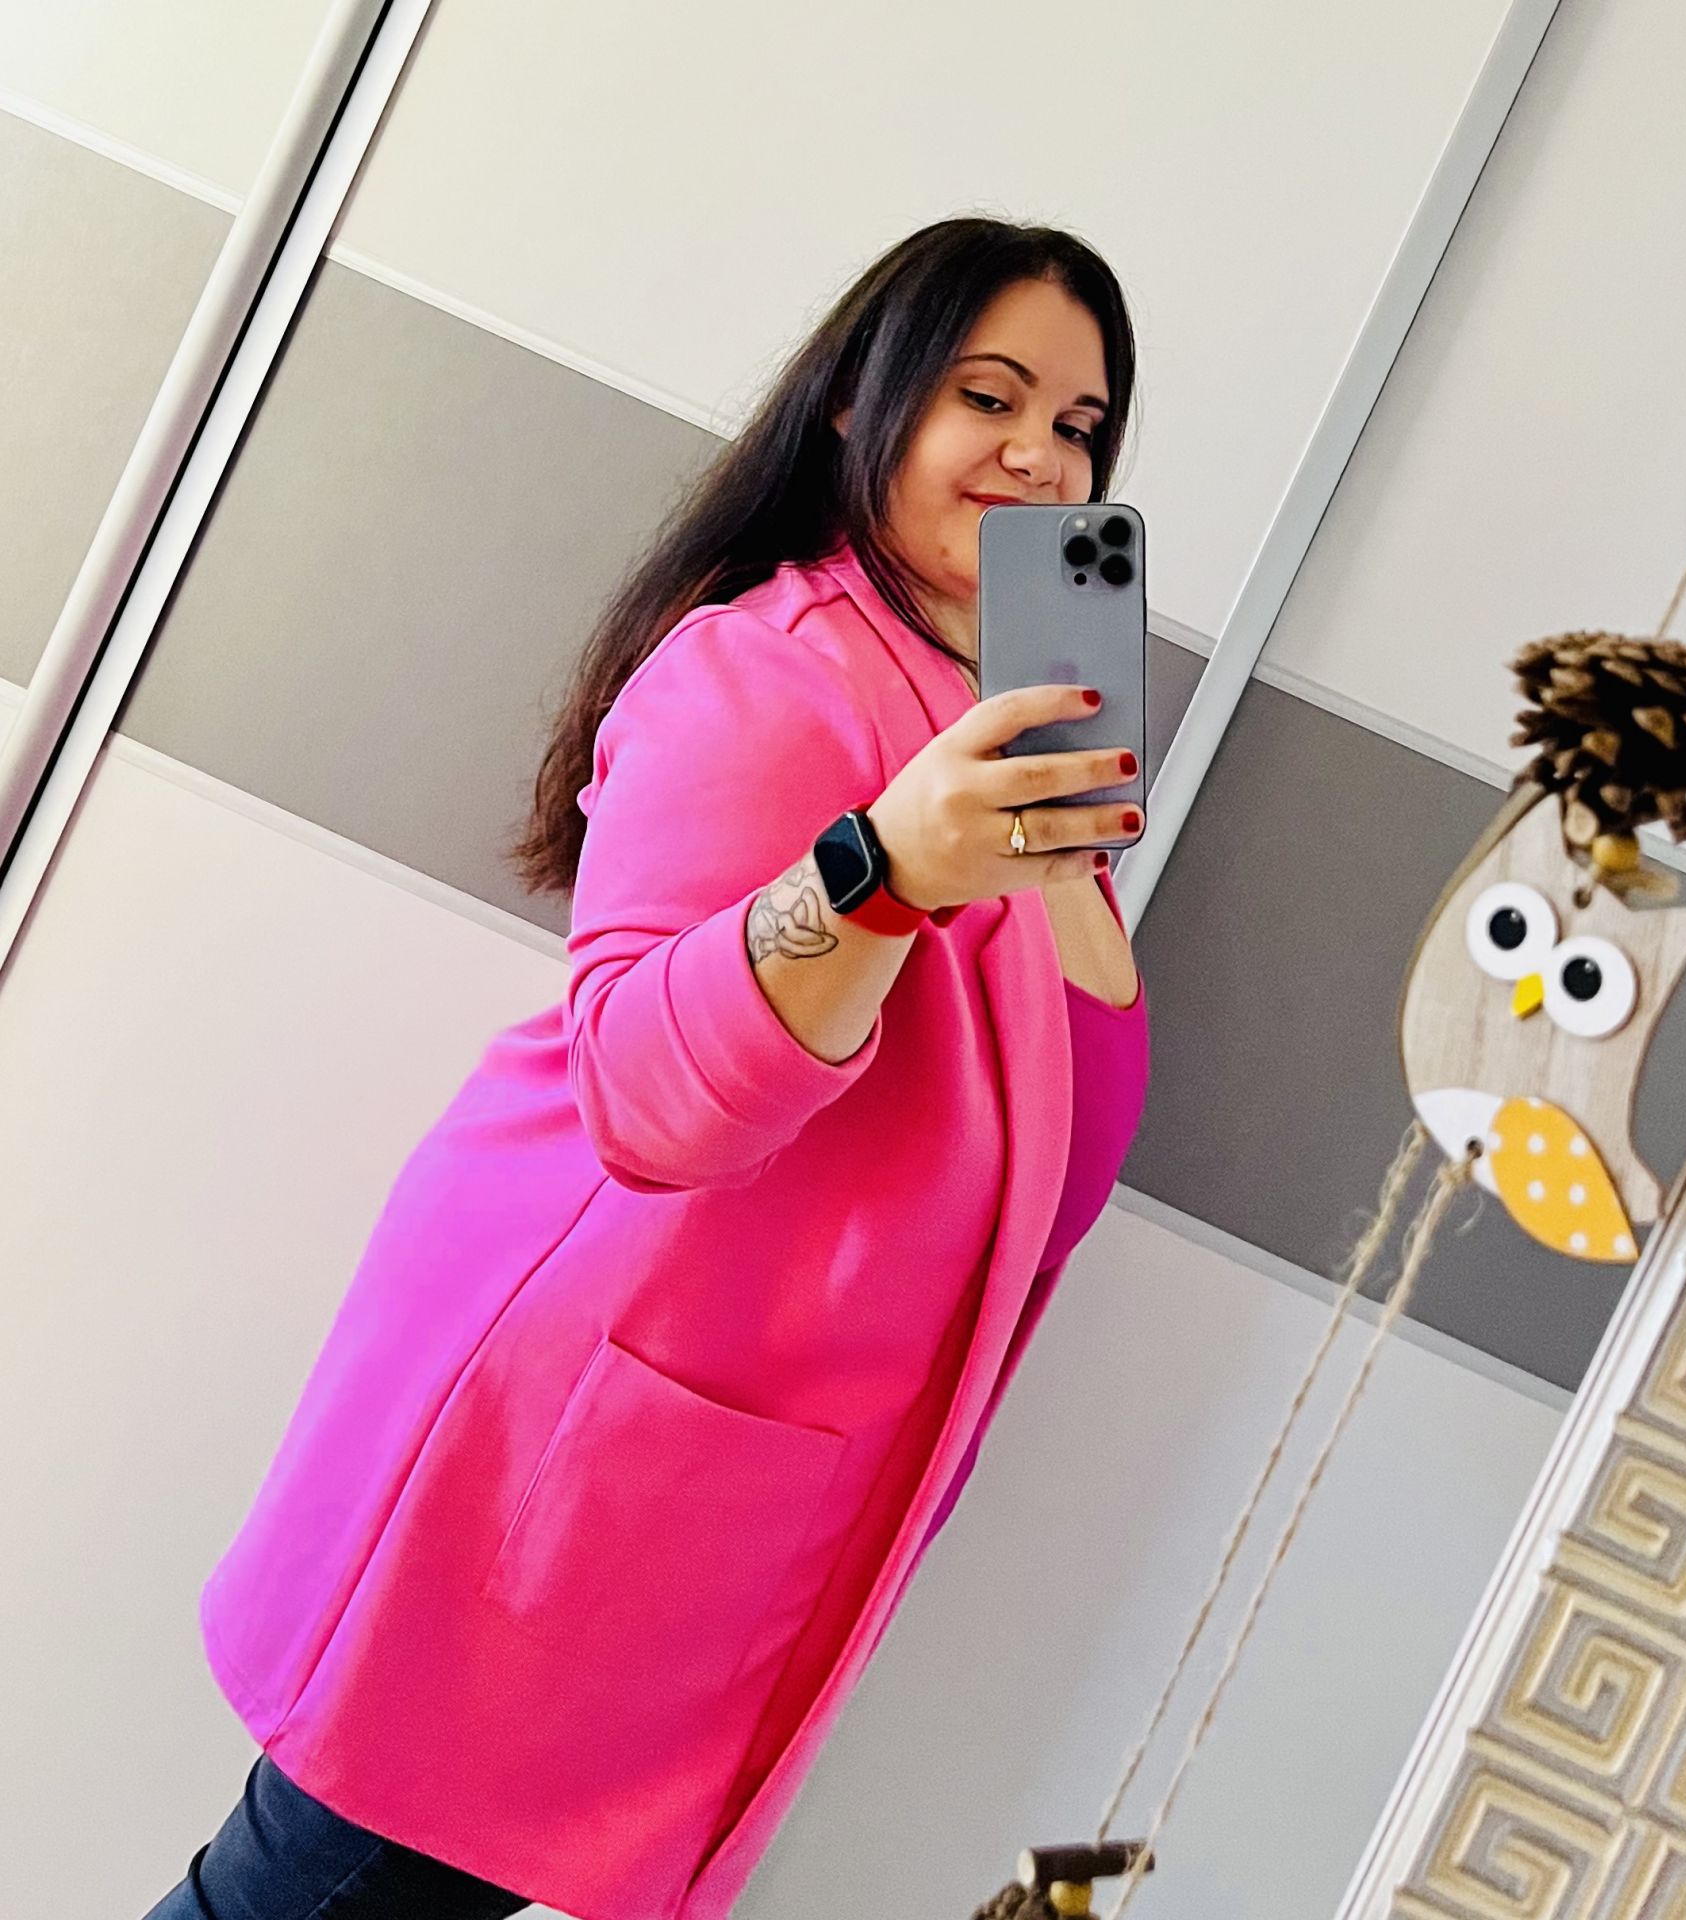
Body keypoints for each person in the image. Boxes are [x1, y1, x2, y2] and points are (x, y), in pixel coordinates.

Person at [144, 215, 1152, 1920]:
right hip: (575, 1469)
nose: (1039, 457)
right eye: (989, 397)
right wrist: (882, 871)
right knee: (306, 1897)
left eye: (1079, 425)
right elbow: (643, 1087)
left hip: (715, 1504)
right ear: (861, 401)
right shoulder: (769, 672)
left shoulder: (982, 719)